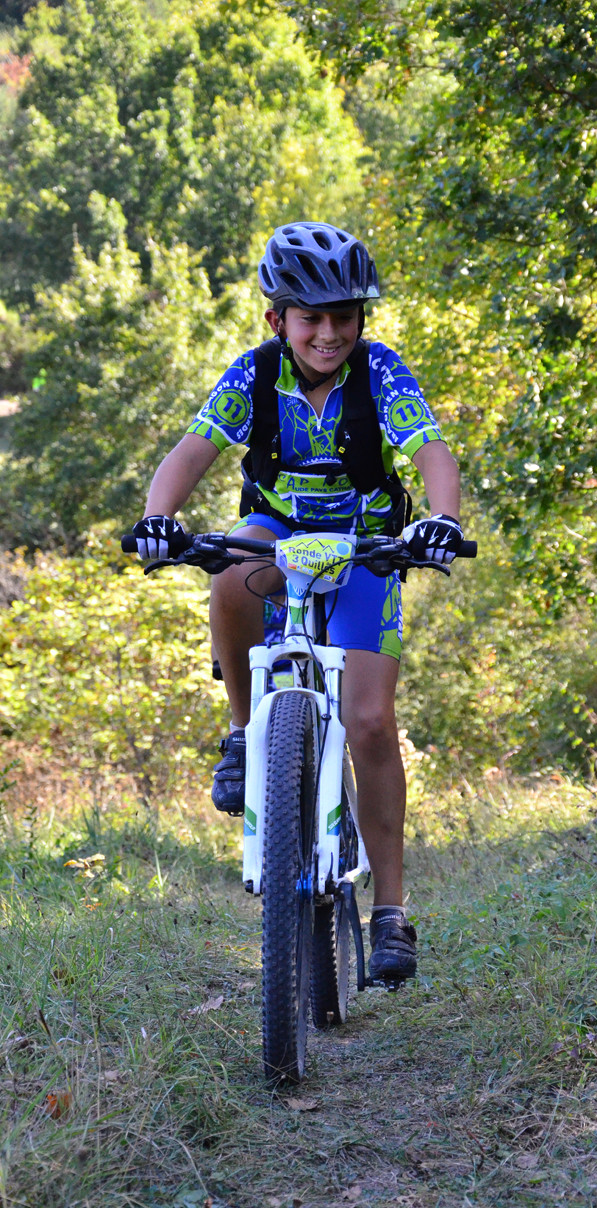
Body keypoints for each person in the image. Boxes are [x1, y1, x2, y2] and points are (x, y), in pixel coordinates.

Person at [131, 221, 463, 981]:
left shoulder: (380, 372)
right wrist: (158, 519)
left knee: (370, 722)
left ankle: (391, 913)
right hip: (276, 540)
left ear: (360, 319)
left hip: (366, 547)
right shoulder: (253, 375)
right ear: (277, 318)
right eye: (310, 318)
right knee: (228, 569)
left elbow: (431, 451)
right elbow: (191, 452)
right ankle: (243, 734)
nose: (329, 333)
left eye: (344, 317)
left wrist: (441, 521)